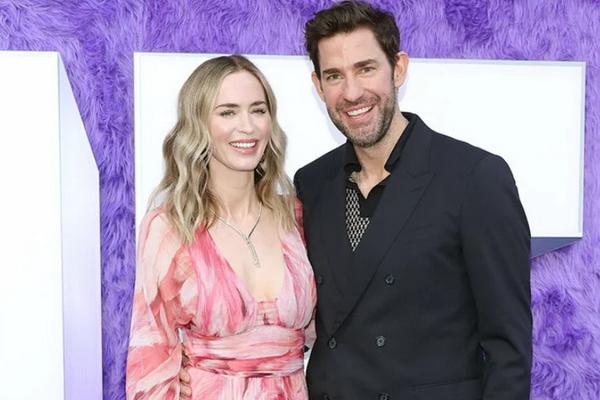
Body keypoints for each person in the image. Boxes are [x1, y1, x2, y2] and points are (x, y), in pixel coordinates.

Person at [293, 1, 532, 399]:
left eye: (366, 69)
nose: (352, 92)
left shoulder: (474, 178)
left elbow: (508, 349)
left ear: (398, 68)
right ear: (318, 86)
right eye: (334, 76)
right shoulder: (312, 182)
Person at [126, 55, 316, 400]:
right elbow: (149, 355)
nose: (248, 126)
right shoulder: (170, 226)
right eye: (227, 112)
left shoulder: (297, 217)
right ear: (199, 123)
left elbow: (337, 329)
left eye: (258, 110)